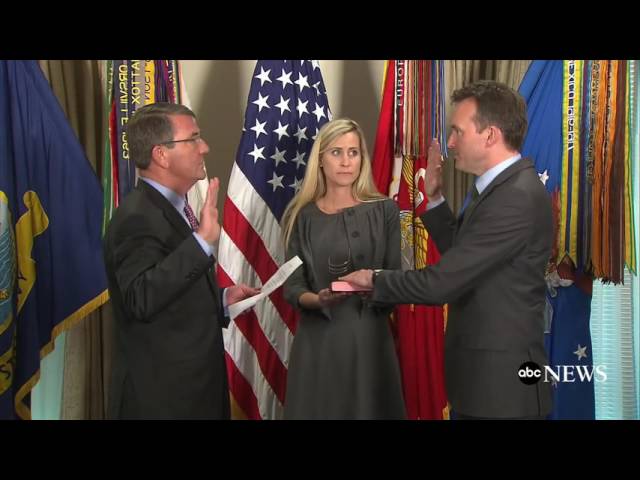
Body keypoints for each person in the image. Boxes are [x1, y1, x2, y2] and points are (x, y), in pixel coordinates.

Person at [341, 81, 553, 420]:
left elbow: (443, 282)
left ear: (490, 135)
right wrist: (436, 199)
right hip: (484, 387)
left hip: (502, 394)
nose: (451, 142)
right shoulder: (501, 189)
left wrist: (375, 279)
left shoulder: (515, 196)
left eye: (458, 131)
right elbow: (466, 259)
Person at [103, 102, 258, 419]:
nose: (205, 147)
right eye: (193, 138)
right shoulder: (137, 217)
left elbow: (169, 295)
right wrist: (201, 242)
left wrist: (221, 300)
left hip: (195, 396)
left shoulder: (175, 208)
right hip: (163, 404)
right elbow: (141, 298)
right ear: (161, 154)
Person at [281, 118, 406, 419]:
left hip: (370, 343)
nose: (346, 161)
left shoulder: (385, 210)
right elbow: (293, 286)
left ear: (362, 158)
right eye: (336, 152)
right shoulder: (301, 216)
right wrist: (318, 299)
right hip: (319, 345)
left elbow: (397, 280)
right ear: (321, 159)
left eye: (354, 152)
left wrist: (377, 286)